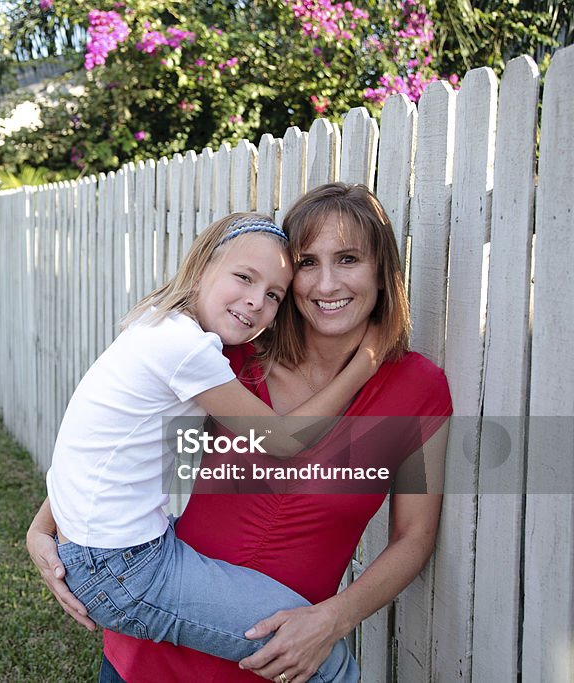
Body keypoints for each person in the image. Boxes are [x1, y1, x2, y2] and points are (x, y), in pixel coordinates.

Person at [27, 183, 452, 683]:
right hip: (150, 649)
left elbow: (414, 537)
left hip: (283, 655)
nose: (327, 283)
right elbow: (116, 434)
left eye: (349, 258)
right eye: (308, 263)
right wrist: (44, 527)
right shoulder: (232, 357)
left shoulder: (418, 390)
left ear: (382, 270)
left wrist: (332, 619)